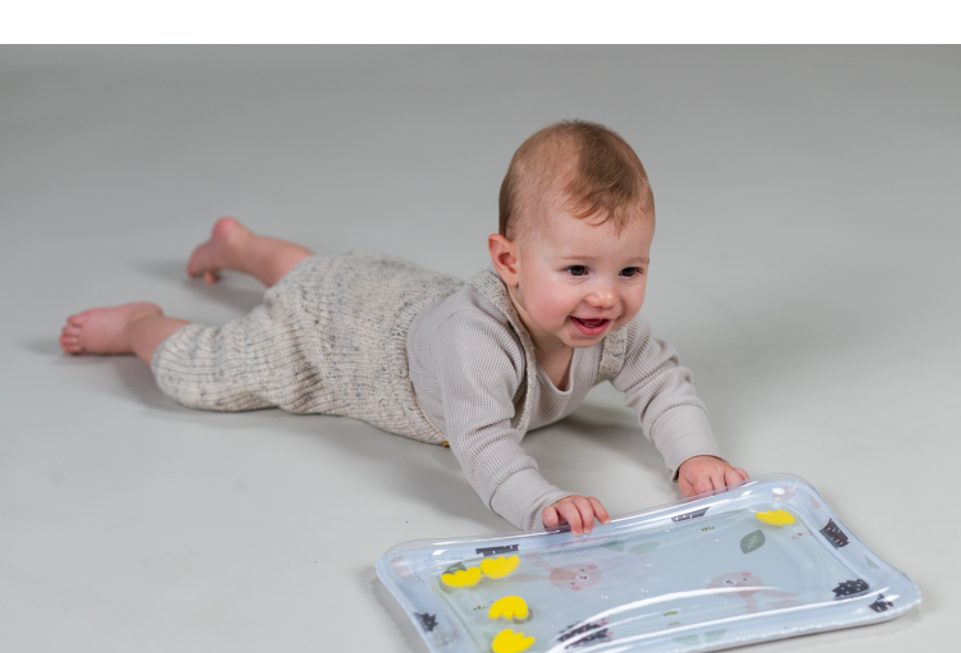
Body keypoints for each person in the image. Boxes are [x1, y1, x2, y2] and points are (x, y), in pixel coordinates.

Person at [59, 119, 749, 534]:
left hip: (395, 296)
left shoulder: (610, 328)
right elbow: (483, 445)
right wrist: (543, 502)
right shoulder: (477, 344)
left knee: (321, 274)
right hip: (336, 348)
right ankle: (143, 325)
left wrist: (693, 456)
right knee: (208, 372)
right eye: (577, 270)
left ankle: (241, 247)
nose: (606, 296)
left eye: (629, 270)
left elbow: (662, 384)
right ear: (508, 262)